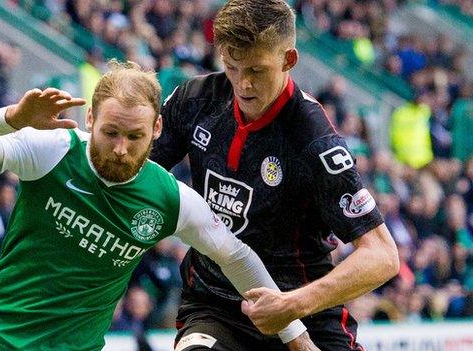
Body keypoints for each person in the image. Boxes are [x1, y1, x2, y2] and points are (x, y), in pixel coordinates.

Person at [0, 61, 315, 351]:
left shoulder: (170, 199)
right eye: (110, 132)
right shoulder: (53, 150)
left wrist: (296, 335)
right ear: (90, 118)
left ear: (157, 130)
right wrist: (11, 118)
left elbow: (237, 257)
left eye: (135, 136)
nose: (120, 148)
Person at [149, 1, 400, 350]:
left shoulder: (314, 140)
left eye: (257, 70)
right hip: (216, 307)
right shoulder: (195, 100)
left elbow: (382, 256)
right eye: (232, 67)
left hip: (303, 311)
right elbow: (129, 170)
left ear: (288, 60)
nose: (243, 83)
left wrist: (291, 305)